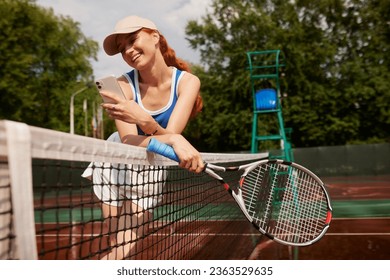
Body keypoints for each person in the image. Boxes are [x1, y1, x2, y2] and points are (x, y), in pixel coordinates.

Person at [82, 15, 204, 260]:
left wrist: (146, 122)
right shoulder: (119, 86)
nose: (128, 50)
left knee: (127, 241)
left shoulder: (188, 82)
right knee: (118, 242)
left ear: (155, 36)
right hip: (115, 158)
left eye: (132, 39)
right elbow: (130, 141)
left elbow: (173, 135)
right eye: (121, 47)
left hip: (152, 162)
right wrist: (169, 138)